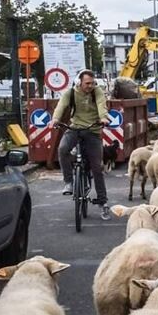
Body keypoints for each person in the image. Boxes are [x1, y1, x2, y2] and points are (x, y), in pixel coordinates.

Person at [49, 70, 111, 220]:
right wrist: (55, 119)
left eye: (92, 83)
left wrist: (103, 118)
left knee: (97, 167)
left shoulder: (97, 92)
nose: (90, 86)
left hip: (93, 130)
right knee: (63, 149)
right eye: (87, 83)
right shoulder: (70, 93)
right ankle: (69, 182)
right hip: (75, 128)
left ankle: (102, 203)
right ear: (79, 82)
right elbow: (60, 107)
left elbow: (102, 106)